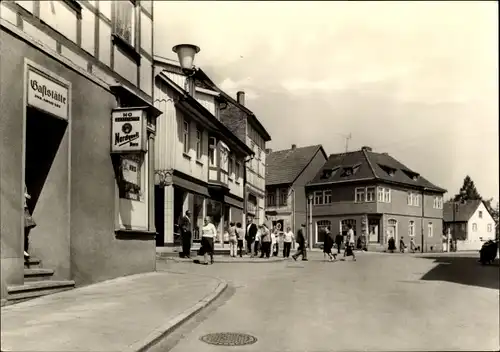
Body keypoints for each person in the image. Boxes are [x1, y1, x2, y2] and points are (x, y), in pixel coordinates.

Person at [24, 184, 36, 259]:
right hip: (20, 208)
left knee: (27, 228)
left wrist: (27, 195)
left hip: (24, 208)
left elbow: (26, 193)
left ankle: (24, 249)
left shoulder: (24, 183)